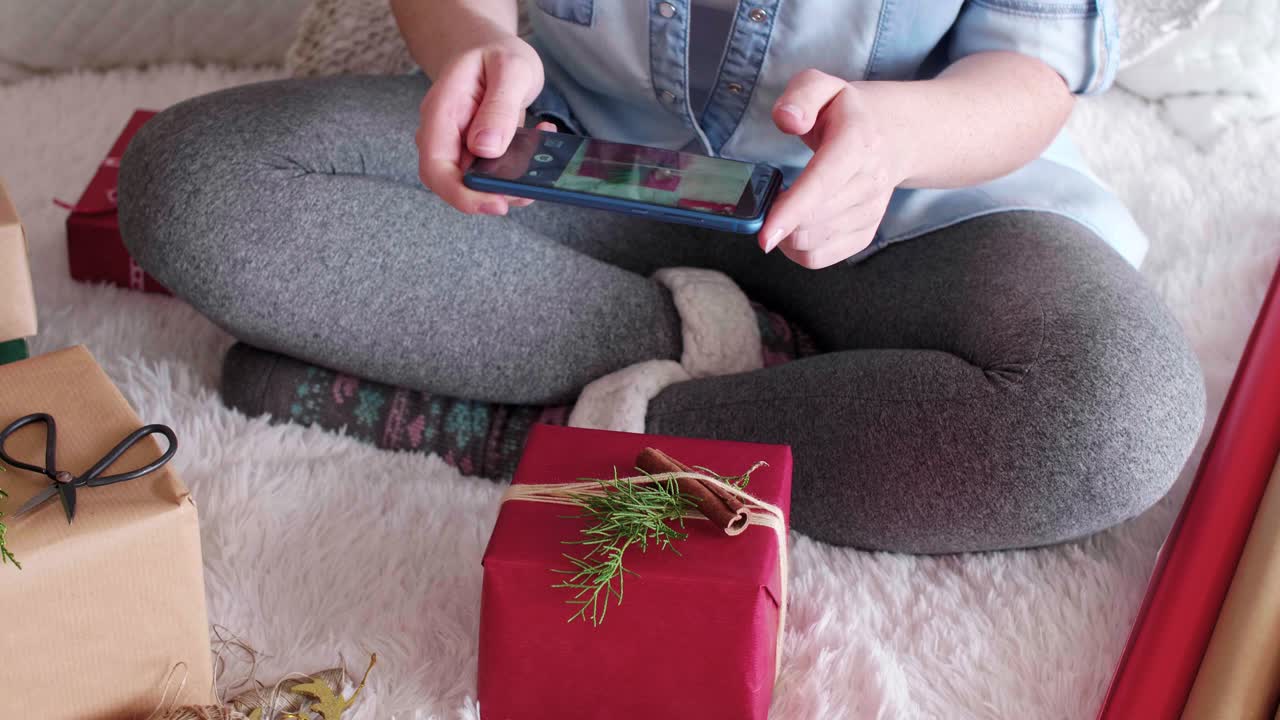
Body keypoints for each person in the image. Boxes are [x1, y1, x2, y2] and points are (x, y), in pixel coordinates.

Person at [118, 0, 1205, 553]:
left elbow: (1025, 74)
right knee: (198, 183)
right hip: (570, 161)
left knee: (1111, 416)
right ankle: (726, 372)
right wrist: (476, 49)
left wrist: (896, 136)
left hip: (904, 201)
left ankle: (525, 428)